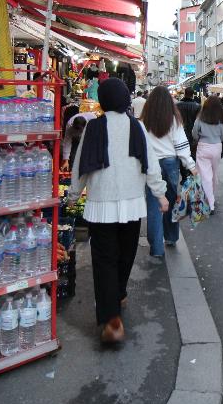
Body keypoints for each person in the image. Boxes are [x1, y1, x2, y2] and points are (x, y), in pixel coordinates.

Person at [70, 78, 168, 344]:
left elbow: (81, 164)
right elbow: (150, 163)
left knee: (104, 261)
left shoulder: (93, 127)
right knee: (126, 254)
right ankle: (120, 294)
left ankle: (112, 318)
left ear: (102, 100)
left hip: (101, 205)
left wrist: (72, 196)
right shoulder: (136, 127)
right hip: (132, 204)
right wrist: (160, 194)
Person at [140, 86, 197, 256]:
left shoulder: (144, 121)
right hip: (171, 163)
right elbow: (182, 146)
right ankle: (171, 237)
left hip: (151, 164)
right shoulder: (173, 119)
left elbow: (141, 146)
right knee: (172, 201)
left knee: (154, 203)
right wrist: (191, 166)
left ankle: (156, 247)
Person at [192, 96, 223, 210]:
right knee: (213, 174)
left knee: (205, 176)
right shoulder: (221, 120)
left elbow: (194, 134)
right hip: (217, 147)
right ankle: (211, 197)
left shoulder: (200, 119)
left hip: (203, 147)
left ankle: (210, 203)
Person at [177, 87, 201, 160]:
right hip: (193, 133)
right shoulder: (198, 106)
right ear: (193, 94)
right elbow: (199, 121)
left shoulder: (177, 105)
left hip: (180, 133)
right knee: (193, 154)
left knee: (181, 154)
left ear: (184, 93)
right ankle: (191, 169)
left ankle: (183, 169)